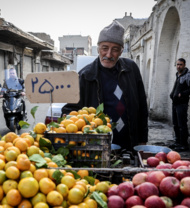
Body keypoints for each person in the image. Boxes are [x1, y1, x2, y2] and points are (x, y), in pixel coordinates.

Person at [62, 21, 148, 151]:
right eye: (105, 48)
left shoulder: (131, 69)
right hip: (97, 146)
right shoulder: (85, 76)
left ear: (121, 51)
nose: (108, 55)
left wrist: (143, 139)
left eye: (115, 49)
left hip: (131, 141)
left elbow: (142, 106)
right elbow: (70, 109)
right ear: (98, 48)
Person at [169, 58, 190, 151]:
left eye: (180, 64)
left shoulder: (188, 75)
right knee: (175, 124)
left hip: (182, 104)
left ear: (184, 65)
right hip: (175, 103)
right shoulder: (178, 74)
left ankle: (184, 144)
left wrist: (182, 94)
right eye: (177, 64)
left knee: (182, 124)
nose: (178, 66)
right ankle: (177, 142)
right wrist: (172, 94)